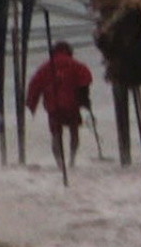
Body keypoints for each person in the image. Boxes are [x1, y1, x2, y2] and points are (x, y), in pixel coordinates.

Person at [26, 41, 94, 179]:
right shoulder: (76, 65)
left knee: (56, 134)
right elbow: (86, 78)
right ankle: (72, 160)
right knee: (74, 132)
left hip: (54, 107)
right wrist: (85, 99)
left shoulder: (45, 67)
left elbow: (34, 86)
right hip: (72, 105)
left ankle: (59, 163)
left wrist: (31, 105)